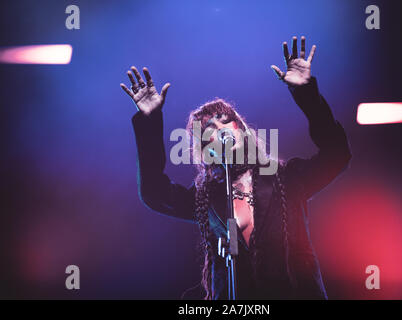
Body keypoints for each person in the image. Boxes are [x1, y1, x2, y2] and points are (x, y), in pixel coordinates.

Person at [120, 36, 352, 299]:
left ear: (240, 131)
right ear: (206, 149)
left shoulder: (286, 180)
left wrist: (306, 94)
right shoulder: (206, 199)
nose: (219, 130)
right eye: (210, 130)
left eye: (224, 121)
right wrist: (150, 120)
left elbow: (337, 154)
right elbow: (155, 193)